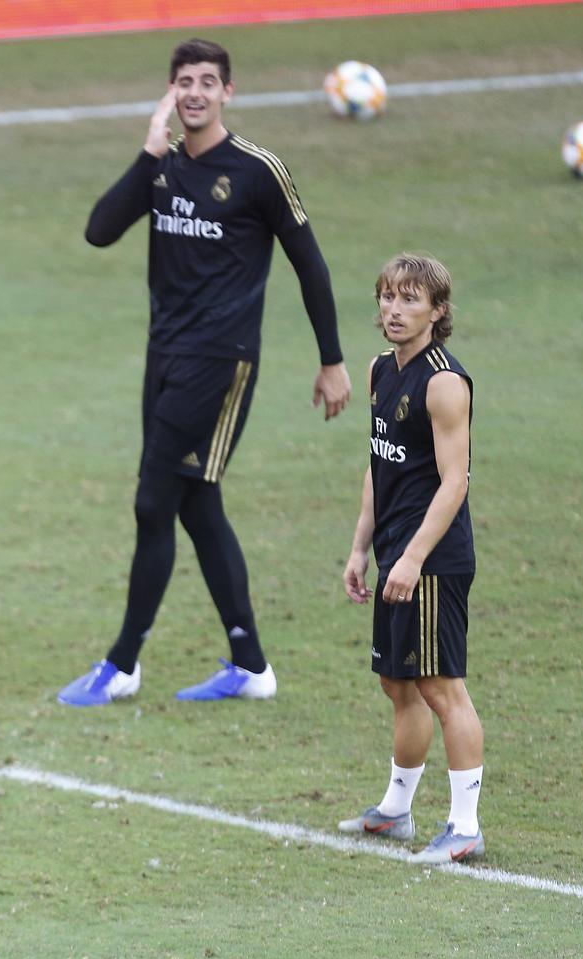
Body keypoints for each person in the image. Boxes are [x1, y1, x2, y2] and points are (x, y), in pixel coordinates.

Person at [57, 37, 352, 707]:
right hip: (163, 358)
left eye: (207, 82)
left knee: (153, 502)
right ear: (171, 92)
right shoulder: (161, 168)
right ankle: (250, 666)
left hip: (221, 363)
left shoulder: (257, 171)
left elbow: (309, 263)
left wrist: (331, 360)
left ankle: (122, 663)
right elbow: (99, 230)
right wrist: (147, 153)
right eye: (183, 82)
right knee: (196, 502)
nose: (195, 93)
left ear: (227, 92)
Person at [337, 254, 485, 864]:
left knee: (441, 687)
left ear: (437, 311)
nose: (394, 310)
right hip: (394, 550)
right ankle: (396, 811)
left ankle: (465, 827)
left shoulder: (444, 383)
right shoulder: (380, 370)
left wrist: (413, 558)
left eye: (410, 299)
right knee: (397, 682)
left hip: (431, 558)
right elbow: (381, 464)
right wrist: (360, 547)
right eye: (388, 297)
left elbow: (455, 481)